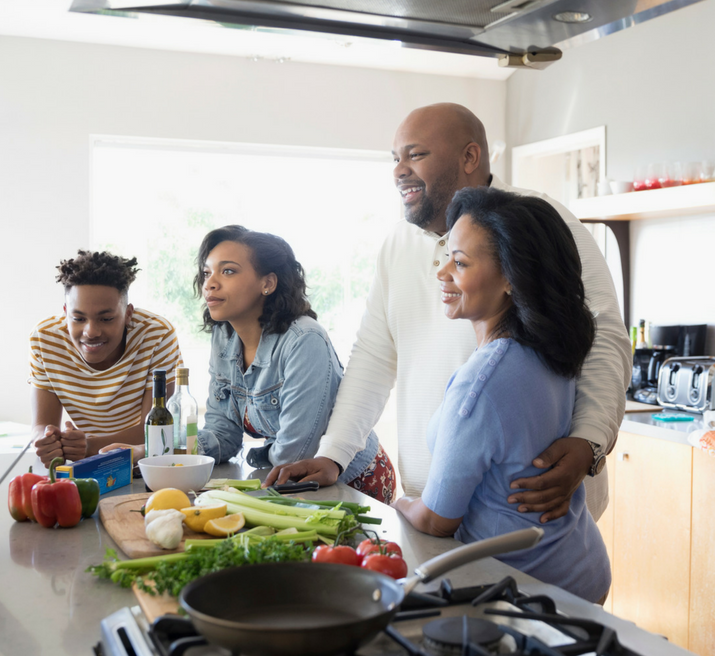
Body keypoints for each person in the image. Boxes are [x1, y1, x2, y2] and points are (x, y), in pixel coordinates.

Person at [268, 104, 630, 522]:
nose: (399, 170)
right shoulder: (396, 246)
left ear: (470, 157)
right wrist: (334, 454)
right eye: (395, 158)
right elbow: (373, 357)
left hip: (528, 512)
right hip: (434, 509)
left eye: (415, 154)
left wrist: (589, 440)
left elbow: (603, 335)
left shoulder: (538, 224)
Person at [395, 187, 611, 602]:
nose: (442, 273)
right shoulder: (550, 349)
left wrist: (400, 504)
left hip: (528, 586)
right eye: (446, 258)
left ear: (511, 278)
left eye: (459, 263)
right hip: (579, 565)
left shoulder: (481, 384)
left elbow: (437, 519)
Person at [194, 226, 396, 503]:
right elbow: (222, 433)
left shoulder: (304, 339)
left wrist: (253, 460)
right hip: (285, 483)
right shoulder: (224, 336)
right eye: (207, 273)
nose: (210, 283)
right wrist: (160, 451)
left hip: (350, 480)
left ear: (268, 283)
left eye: (227, 271)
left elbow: (297, 454)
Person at [30, 250, 183, 466]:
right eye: (78, 318)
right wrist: (47, 442)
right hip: (83, 465)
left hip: (142, 462)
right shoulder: (45, 339)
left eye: (106, 318)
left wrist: (89, 447)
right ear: (65, 313)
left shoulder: (156, 335)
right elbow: (41, 427)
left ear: (128, 313)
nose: (91, 331)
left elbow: (156, 429)